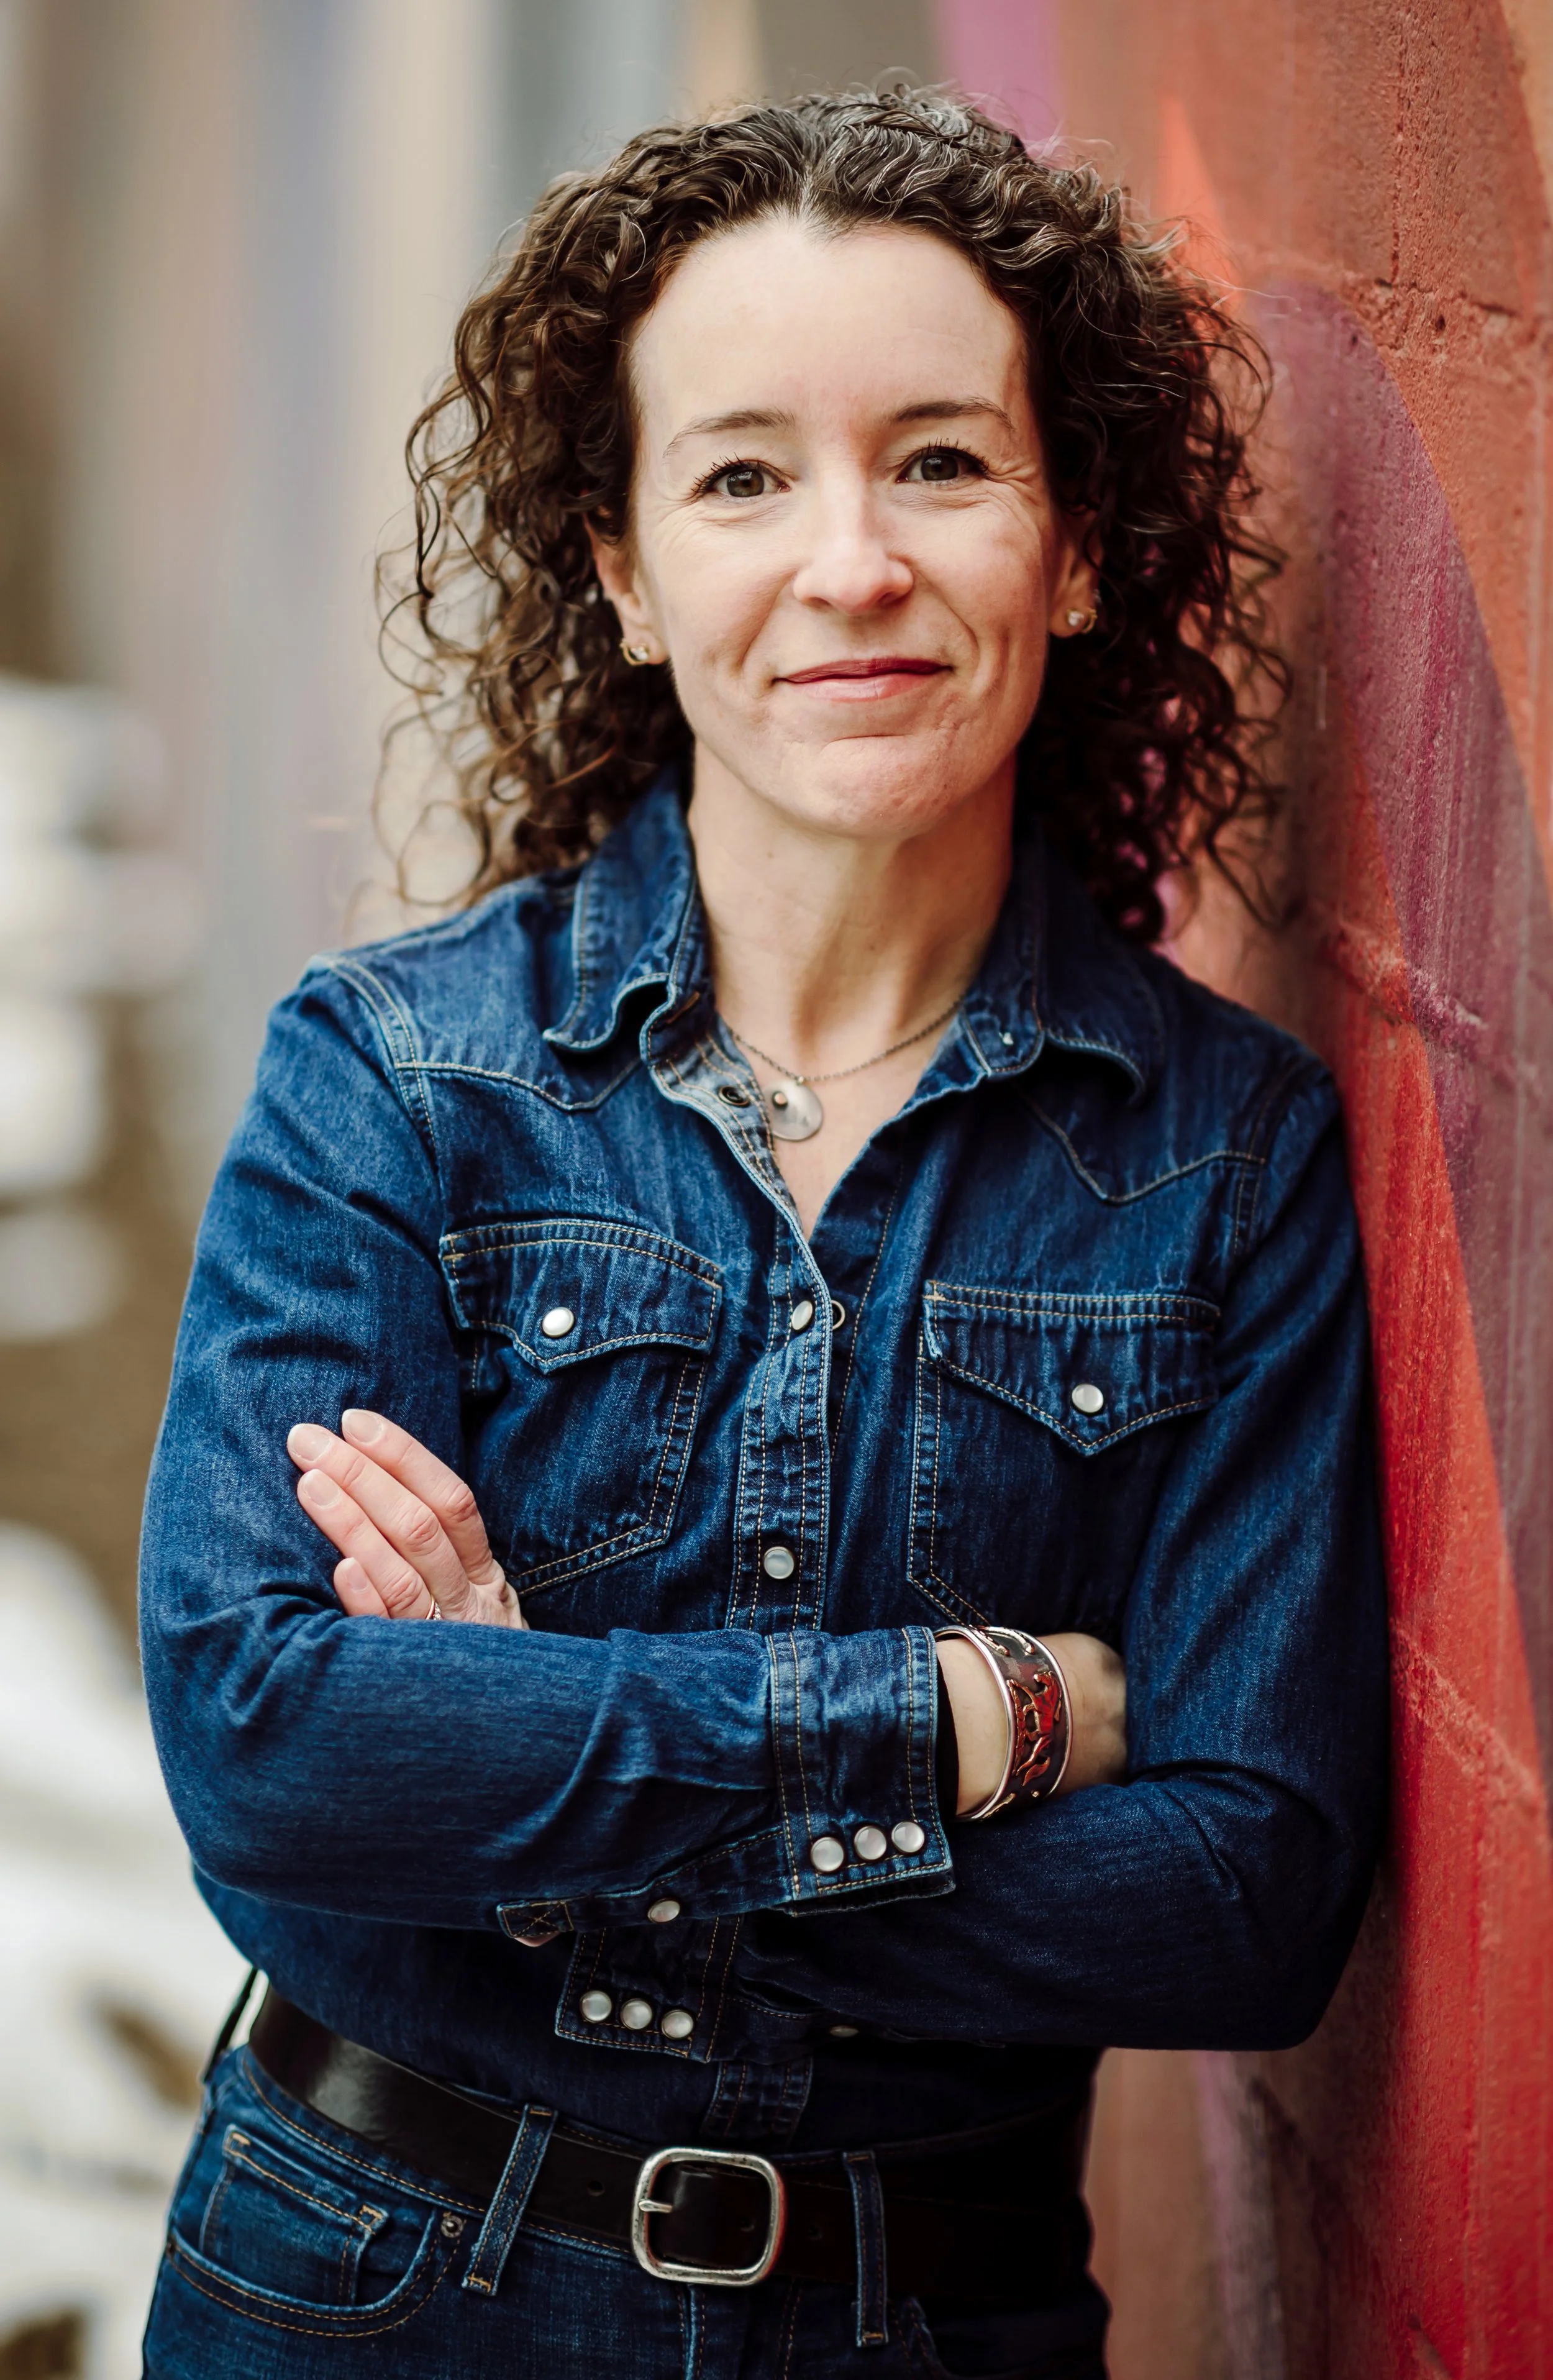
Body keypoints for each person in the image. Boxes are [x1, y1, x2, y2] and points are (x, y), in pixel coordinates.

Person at [139, 90, 1387, 2380]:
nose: (850, 561)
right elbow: (270, 1745)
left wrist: (525, 1793)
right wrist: (973, 1713)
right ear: (620, 572)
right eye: (739, 477)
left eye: (940, 460)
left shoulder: (1224, 1152)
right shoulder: (399, 1079)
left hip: (932, 2320)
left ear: (1073, 547)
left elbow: (1240, 1897)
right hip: (371, 2280)